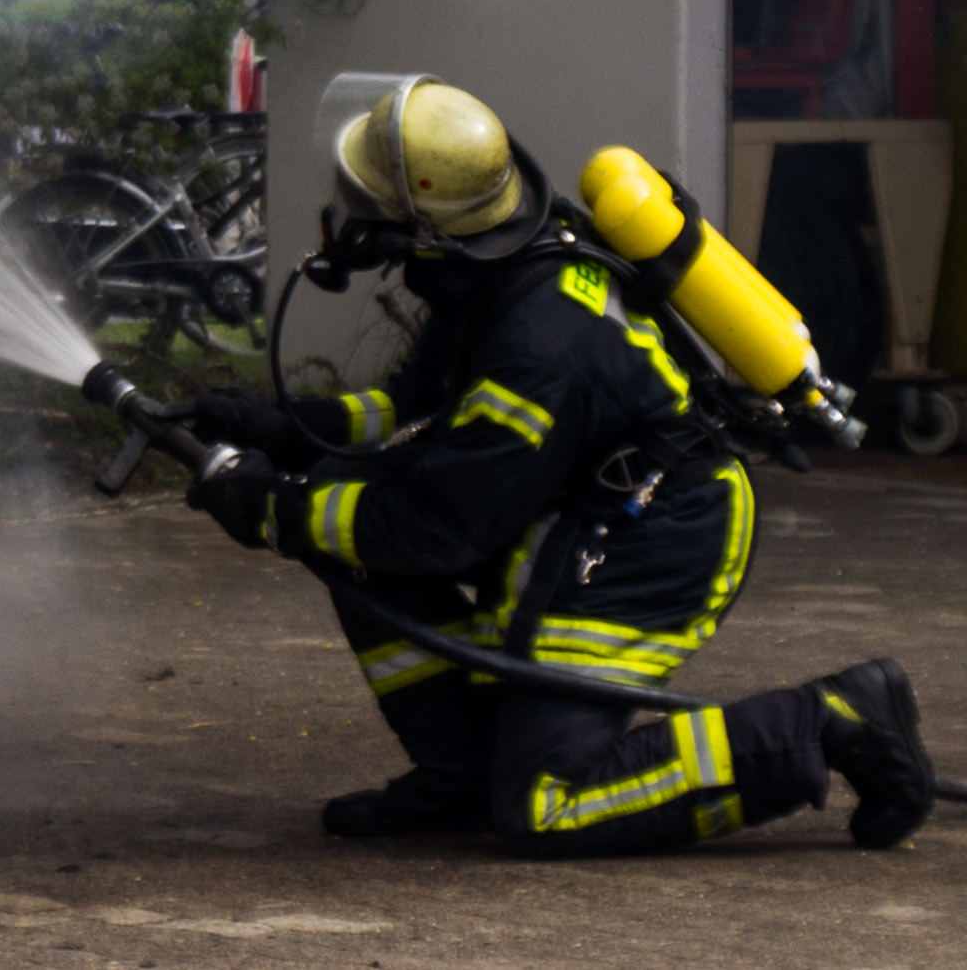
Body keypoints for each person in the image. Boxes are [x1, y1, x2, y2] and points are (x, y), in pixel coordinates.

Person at [184, 75, 936, 854]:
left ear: (426, 229)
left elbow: (440, 525)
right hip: (572, 504)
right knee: (346, 517)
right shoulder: (498, 265)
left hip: (651, 537)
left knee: (547, 805)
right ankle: (463, 773)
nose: (349, 219)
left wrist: (274, 506)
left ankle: (830, 719)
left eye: (369, 205)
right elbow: (420, 408)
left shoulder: (540, 345)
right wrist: (291, 429)